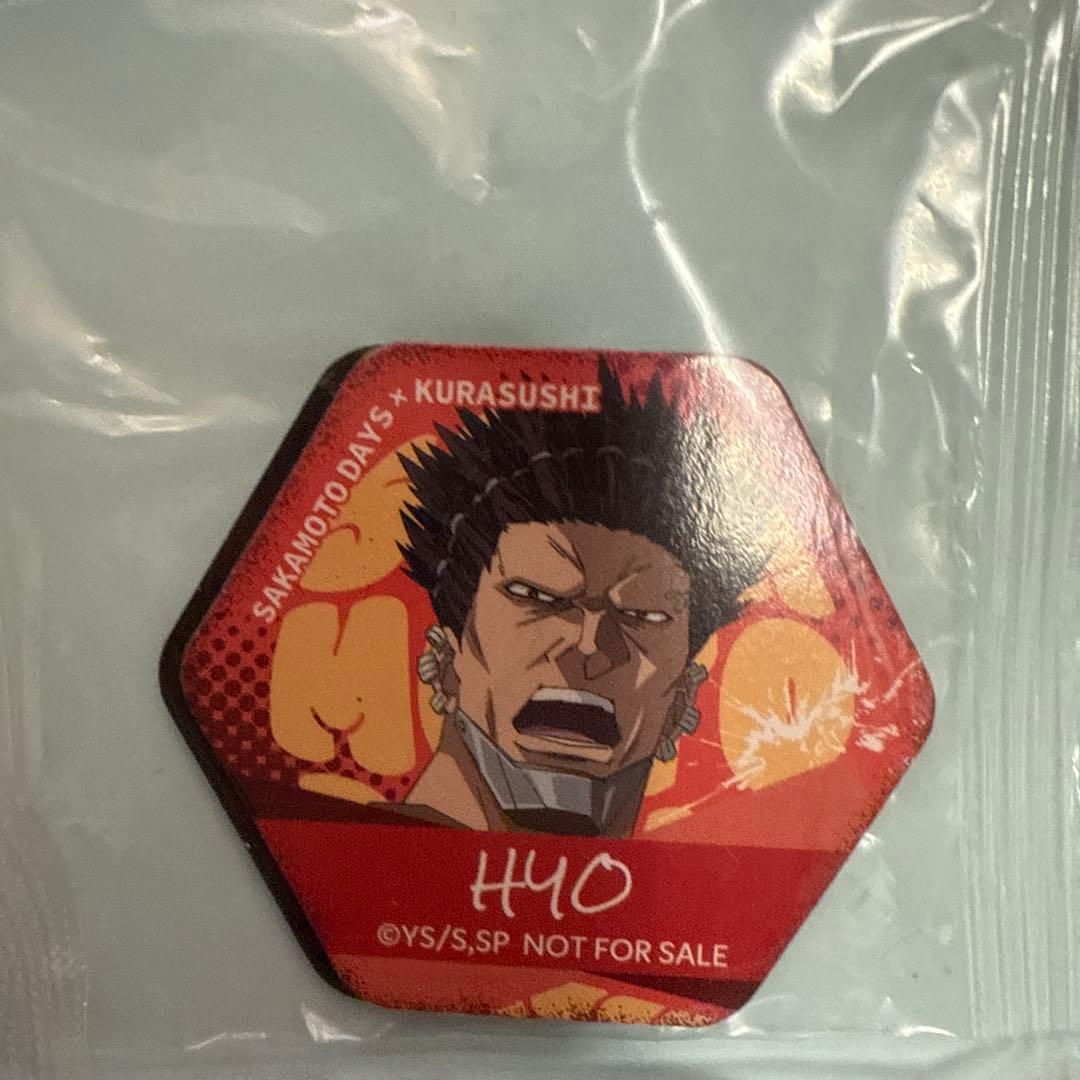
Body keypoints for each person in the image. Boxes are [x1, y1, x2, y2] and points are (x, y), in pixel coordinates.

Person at [397, 360, 763, 836]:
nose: (589, 644)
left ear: (680, 703)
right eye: (536, 597)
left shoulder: (716, 876)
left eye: (643, 615)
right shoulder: (335, 846)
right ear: (446, 663)